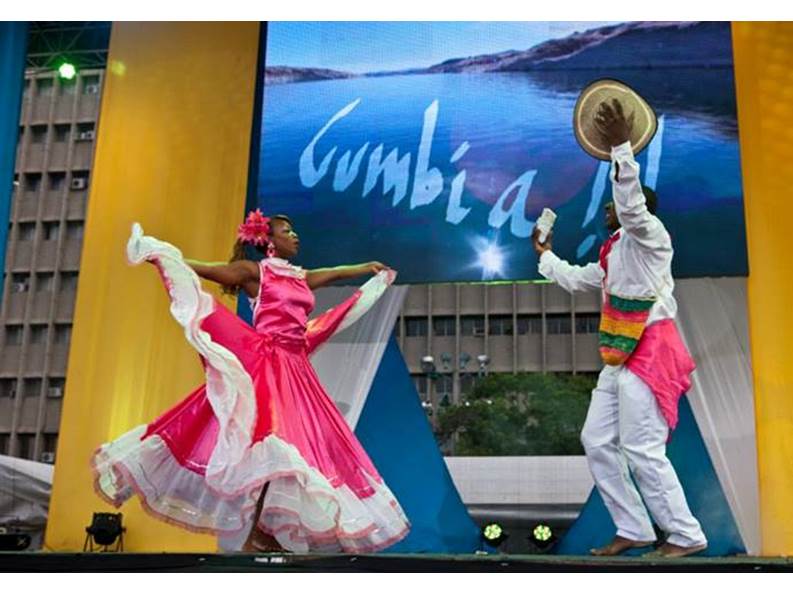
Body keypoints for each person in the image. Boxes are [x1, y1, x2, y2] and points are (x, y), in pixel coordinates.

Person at [91, 210, 410, 553]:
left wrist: (365, 268)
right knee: (273, 443)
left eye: (294, 230)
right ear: (268, 242)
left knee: (298, 449)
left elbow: (329, 275)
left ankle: (263, 533)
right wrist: (162, 254)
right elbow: (208, 269)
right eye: (288, 231)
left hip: (297, 369)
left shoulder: (299, 277)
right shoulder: (254, 273)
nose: (296, 236)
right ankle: (259, 534)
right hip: (268, 366)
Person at [532, 99, 708, 558]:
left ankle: (686, 534)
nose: (609, 209)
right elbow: (578, 278)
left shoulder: (651, 237)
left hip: (649, 352)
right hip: (618, 356)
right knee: (596, 441)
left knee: (642, 448)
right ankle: (634, 527)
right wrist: (545, 254)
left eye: (614, 203)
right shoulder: (614, 254)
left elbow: (631, 208)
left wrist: (621, 150)